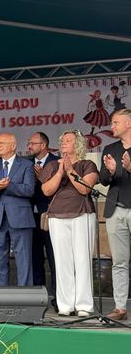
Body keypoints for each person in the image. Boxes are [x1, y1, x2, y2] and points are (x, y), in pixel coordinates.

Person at [40, 130, 98, 317]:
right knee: (62, 261)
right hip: (57, 216)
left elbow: (84, 189)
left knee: (82, 260)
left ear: (78, 144)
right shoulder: (51, 165)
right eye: (62, 141)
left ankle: (84, 305)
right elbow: (47, 191)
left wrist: (70, 170)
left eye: (68, 140)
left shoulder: (87, 164)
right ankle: (65, 305)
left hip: (82, 214)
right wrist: (60, 171)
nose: (63, 143)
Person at [0, 133, 35, 286]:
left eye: (2, 143)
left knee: (23, 257)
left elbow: (29, 190)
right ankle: (1, 293)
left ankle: (25, 292)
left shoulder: (26, 164)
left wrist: (8, 186)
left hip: (20, 217)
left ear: (13, 146)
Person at [99, 108, 131, 320]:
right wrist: (111, 171)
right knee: (119, 261)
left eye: (115, 122)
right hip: (116, 208)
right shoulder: (110, 149)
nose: (112, 126)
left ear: (128, 123)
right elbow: (102, 180)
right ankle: (120, 308)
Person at [27, 131, 58, 310]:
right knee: (35, 258)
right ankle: (38, 299)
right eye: (29, 143)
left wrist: (42, 178)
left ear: (43, 145)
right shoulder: (26, 163)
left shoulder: (57, 162)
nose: (29, 146)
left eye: (33, 143)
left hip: (51, 215)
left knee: (54, 258)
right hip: (30, 217)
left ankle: (58, 298)